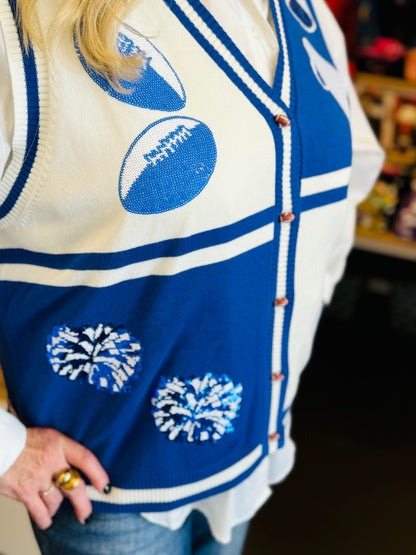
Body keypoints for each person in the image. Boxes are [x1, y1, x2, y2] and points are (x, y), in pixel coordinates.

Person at [0, 0, 383, 553]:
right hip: (110, 489)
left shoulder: (303, 13)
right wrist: (7, 448)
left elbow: (346, 173)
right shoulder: (23, 30)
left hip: (254, 454)